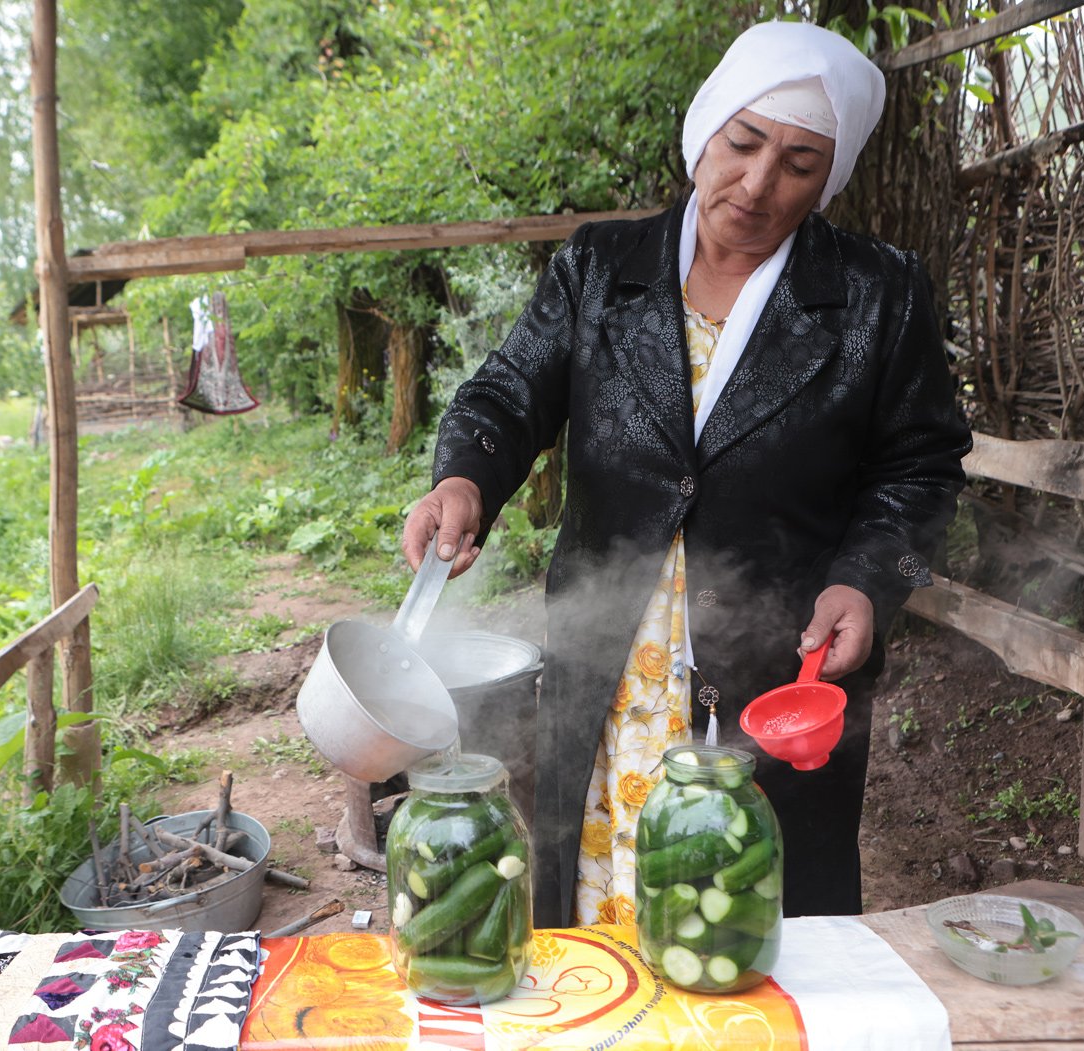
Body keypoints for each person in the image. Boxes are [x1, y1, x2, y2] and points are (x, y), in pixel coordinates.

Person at [401, 20, 972, 928]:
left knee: (756, 911)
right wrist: (463, 479)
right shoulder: (600, 268)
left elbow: (926, 467)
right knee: (602, 902)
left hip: (782, 667)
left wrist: (872, 582)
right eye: (742, 144)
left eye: (798, 162)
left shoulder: (878, 295)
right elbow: (507, 395)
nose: (756, 183)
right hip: (613, 658)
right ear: (704, 131)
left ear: (832, 176)